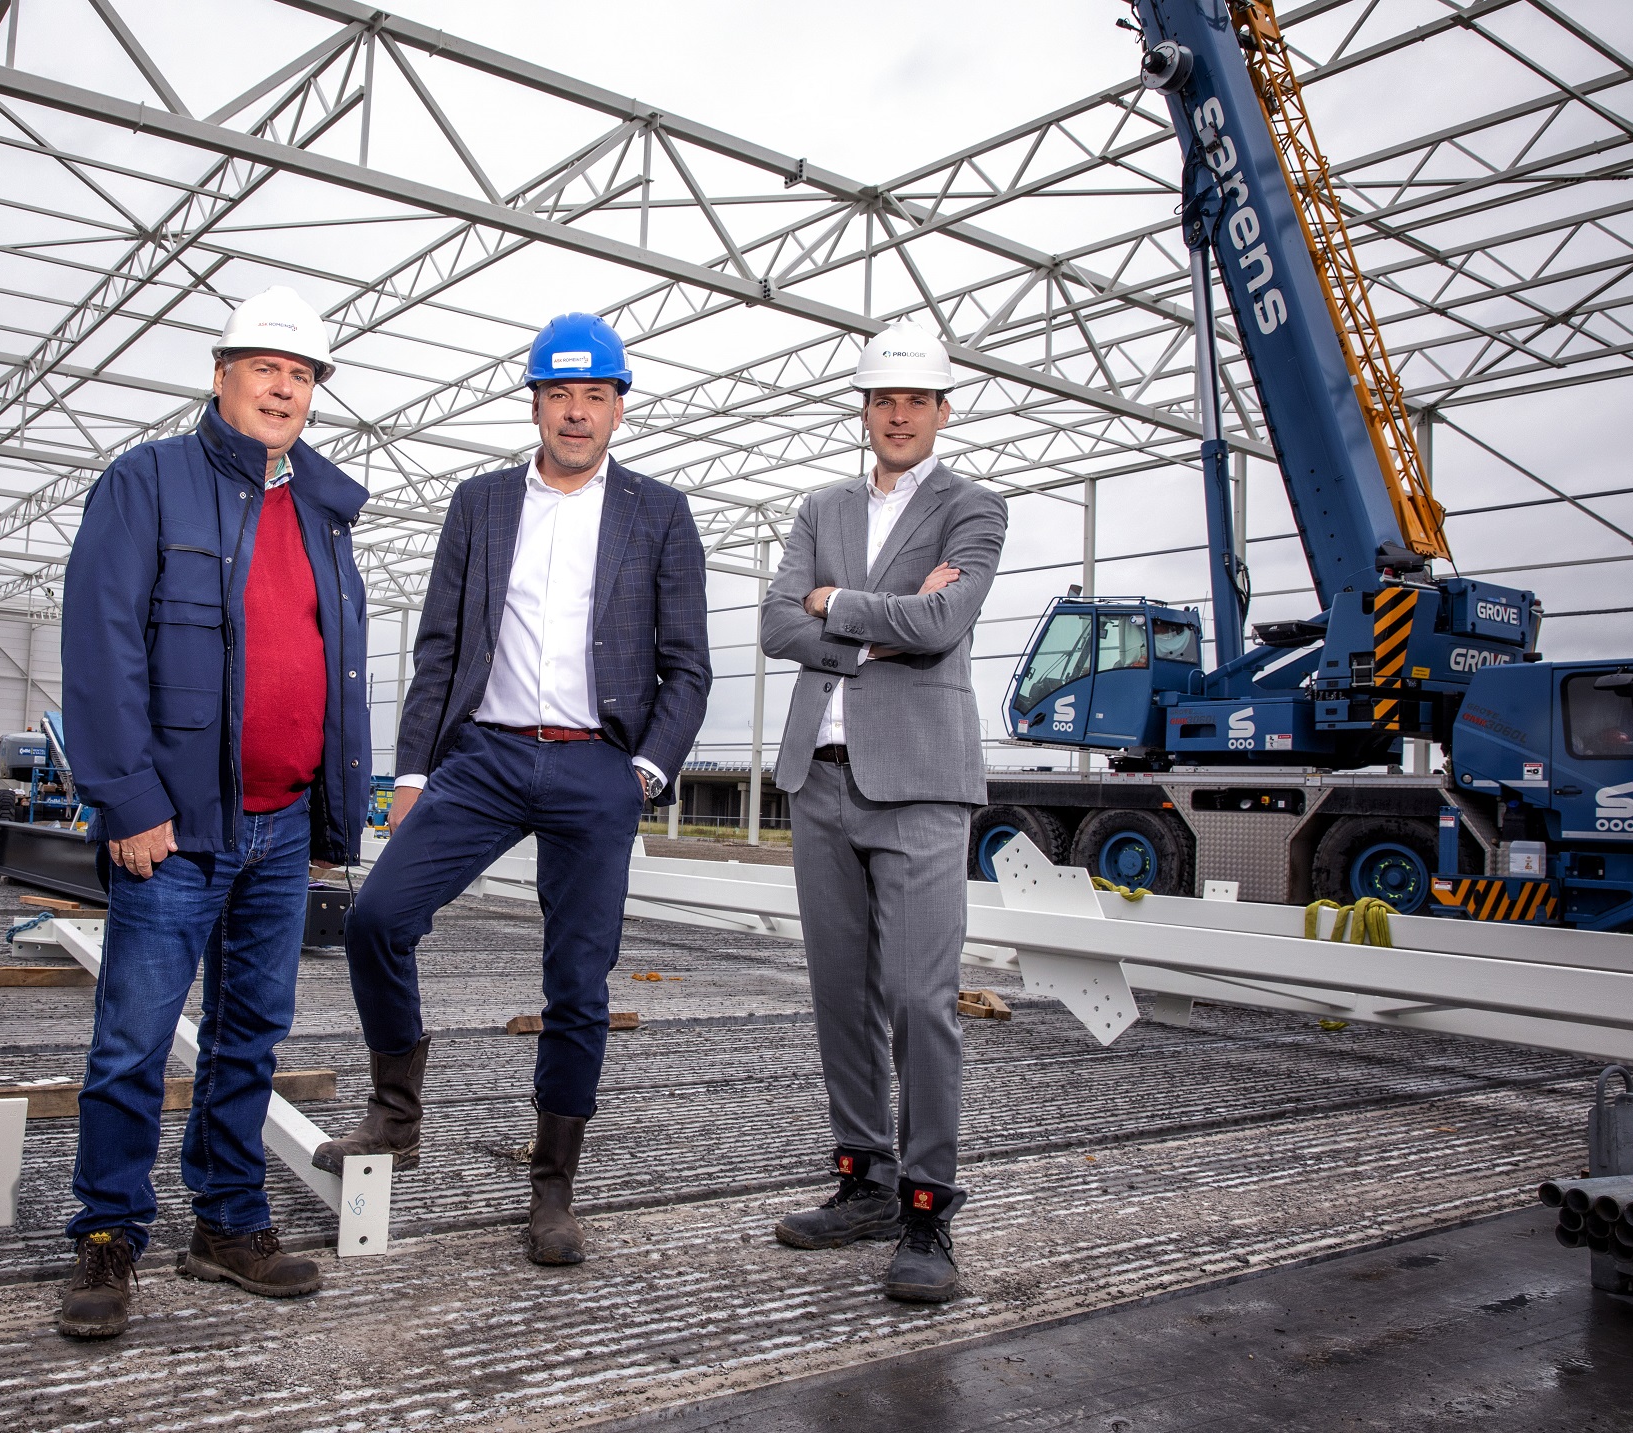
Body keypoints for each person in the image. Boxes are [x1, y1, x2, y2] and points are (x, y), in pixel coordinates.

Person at [316, 313, 711, 1266]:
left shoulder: (659, 513)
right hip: (484, 758)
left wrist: (644, 772)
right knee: (377, 917)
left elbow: (688, 666)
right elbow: (441, 645)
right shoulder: (481, 503)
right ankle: (396, 1114)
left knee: (577, 980)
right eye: (558, 394)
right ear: (534, 404)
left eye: (594, 396)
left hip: (595, 767)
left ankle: (553, 1184)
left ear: (619, 407)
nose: (576, 413)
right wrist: (414, 770)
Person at [55, 286, 371, 1340]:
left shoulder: (322, 511)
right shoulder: (148, 482)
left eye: (302, 373)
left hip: (282, 825)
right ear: (223, 373)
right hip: (177, 827)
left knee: (250, 1039)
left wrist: (331, 819)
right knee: (133, 1041)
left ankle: (227, 1221)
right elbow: (100, 643)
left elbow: (338, 670)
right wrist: (128, 796)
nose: (283, 387)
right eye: (264, 367)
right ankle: (109, 1231)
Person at [758, 318, 1008, 1303]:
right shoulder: (821, 506)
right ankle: (862, 1177)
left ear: (942, 410)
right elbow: (775, 622)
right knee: (839, 994)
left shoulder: (971, 506)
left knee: (916, 995)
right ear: (863, 410)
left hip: (919, 781)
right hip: (819, 775)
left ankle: (927, 1204)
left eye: (915, 399)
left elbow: (943, 622)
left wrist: (833, 603)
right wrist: (876, 624)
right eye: (881, 399)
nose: (897, 414)